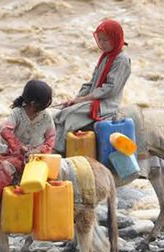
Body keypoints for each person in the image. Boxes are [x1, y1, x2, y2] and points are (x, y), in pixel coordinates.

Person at [0, 80, 55, 219]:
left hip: (38, 158)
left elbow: (51, 138)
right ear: (34, 103)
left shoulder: (46, 117)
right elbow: (5, 130)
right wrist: (18, 146)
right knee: (4, 167)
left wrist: (38, 150)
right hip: (17, 155)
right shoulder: (17, 113)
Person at [53, 19, 131, 154]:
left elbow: (110, 89)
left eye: (105, 40)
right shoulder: (105, 57)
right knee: (61, 112)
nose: (101, 43)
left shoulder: (121, 60)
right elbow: (91, 82)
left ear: (115, 38)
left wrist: (83, 100)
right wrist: (76, 98)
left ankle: (57, 151)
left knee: (67, 116)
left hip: (106, 104)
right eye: (100, 40)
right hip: (93, 99)